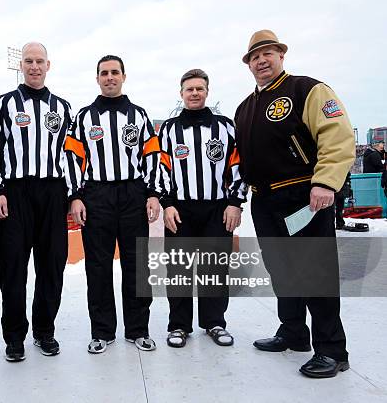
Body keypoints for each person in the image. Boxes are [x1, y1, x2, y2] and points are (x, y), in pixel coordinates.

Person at [235, 29, 355, 378]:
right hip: (265, 198)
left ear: (281, 56)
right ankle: (293, 332)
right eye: (254, 57)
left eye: (268, 53)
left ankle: (332, 351)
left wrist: (325, 182)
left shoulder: (308, 90)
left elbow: (337, 136)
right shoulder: (245, 107)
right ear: (249, 65)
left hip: (305, 195)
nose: (261, 60)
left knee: (315, 273)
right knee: (282, 271)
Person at [65, 54, 161, 354]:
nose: (109, 77)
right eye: (104, 73)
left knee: (137, 264)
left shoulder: (140, 116)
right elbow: (71, 159)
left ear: (123, 76)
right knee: (98, 266)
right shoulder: (83, 117)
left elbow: (152, 157)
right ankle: (102, 331)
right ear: (97, 78)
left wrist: (153, 194)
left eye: (115, 72)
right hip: (97, 196)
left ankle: (137, 330)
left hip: (133, 195)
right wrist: (76, 196)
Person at [0, 42, 72, 362]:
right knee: (13, 268)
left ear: (49, 65)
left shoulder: (62, 108)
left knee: (51, 266)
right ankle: (14, 337)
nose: (34, 66)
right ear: (21, 65)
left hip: (52, 194)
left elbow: (70, 156)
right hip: (16, 192)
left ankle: (44, 331)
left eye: (39, 61)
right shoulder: (4, 103)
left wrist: (72, 195)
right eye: (28, 61)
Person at [158, 69, 247, 348]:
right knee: (179, 270)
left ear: (207, 91)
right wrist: (167, 204)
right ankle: (179, 325)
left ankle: (215, 322)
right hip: (180, 209)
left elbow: (238, 165)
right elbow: (161, 168)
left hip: (217, 208)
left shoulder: (225, 126)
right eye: (189, 89)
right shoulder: (170, 129)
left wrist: (235, 202)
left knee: (214, 268)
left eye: (199, 88)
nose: (194, 93)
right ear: (181, 93)